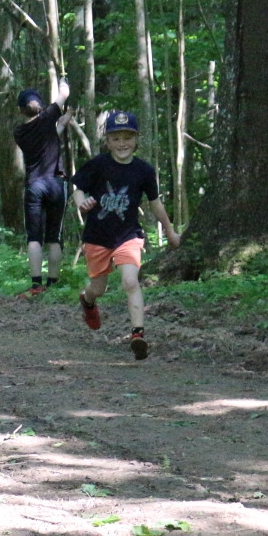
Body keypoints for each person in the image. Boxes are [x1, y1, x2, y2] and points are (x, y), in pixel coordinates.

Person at [70, 110, 181, 361]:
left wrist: (171, 231)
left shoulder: (143, 170)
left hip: (127, 235)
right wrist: (82, 202)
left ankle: (138, 335)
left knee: (130, 281)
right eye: (116, 139)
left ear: (137, 139)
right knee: (98, 288)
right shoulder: (99, 165)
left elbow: (155, 204)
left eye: (127, 138)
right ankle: (87, 301)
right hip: (97, 236)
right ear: (108, 141)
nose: (122, 144)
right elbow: (78, 189)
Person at [13, 80, 72, 296]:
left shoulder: (19, 132)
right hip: (56, 183)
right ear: (40, 105)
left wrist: (63, 122)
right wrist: (63, 82)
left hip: (35, 185)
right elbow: (63, 93)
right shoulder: (48, 117)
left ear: (21, 110)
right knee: (54, 236)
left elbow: (48, 134)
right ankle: (53, 284)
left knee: (34, 237)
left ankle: (36, 284)